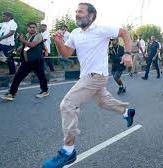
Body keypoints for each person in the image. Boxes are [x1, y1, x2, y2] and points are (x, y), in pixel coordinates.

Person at [43, 3, 135, 168]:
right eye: (76, 12)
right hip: (87, 76)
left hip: (96, 76)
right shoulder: (76, 33)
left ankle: (68, 150)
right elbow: (66, 53)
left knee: (68, 105)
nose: (77, 14)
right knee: (102, 102)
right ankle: (127, 111)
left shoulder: (101, 29)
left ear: (91, 16)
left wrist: (128, 53)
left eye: (81, 12)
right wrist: (58, 42)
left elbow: (124, 33)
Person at [1, 22, 49, 101]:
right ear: (27, 28)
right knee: (18, 76)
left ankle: (45, 91)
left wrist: (22, 40)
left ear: (36, 28)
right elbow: (26, 47)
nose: (32, 29)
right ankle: (11, 94)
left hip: (37, 61)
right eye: (30, 27)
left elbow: (32, 45)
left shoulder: (38, 36)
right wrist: (16, 50)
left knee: (41, 77)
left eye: (34, 27)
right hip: (27, 62)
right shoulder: (27, 36)